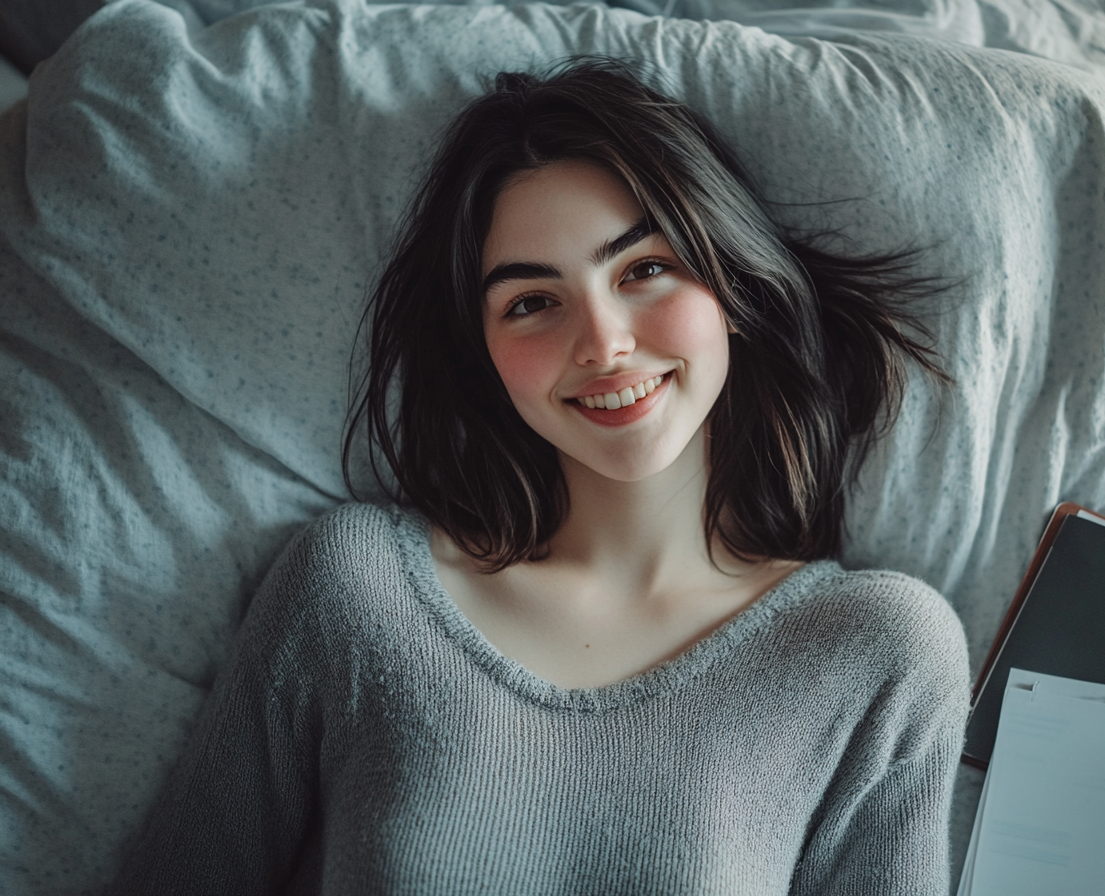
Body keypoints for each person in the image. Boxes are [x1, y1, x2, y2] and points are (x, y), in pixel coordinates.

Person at [109, 58, 970, 895]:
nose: (603, 343)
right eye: (531, 302)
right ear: (482, 354)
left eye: (645, 269)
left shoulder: (877, 652)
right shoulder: (355, 589)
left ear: (734, 285)